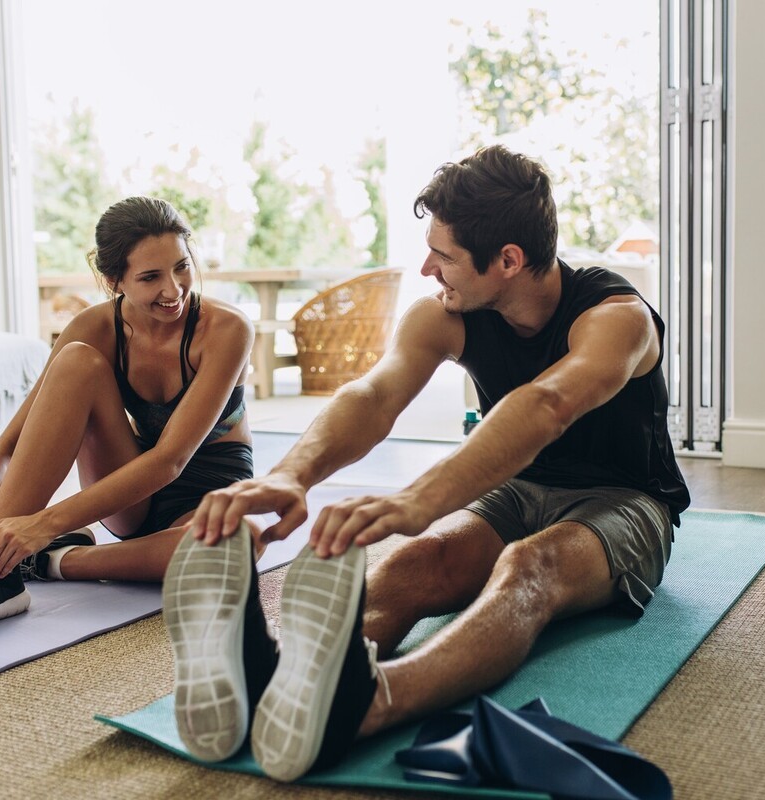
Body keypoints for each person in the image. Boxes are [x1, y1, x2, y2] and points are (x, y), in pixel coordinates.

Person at [160, 144, 691, 781]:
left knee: (529, 567)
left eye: (443, 255)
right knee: (418, 561)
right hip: (520, 487)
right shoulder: (449, 314)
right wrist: (289, 474)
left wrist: (418, 500)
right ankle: (274, 677)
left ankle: (369, 704)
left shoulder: (618, 319)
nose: (426, 267)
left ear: (508, 261)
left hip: (626, 501)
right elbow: (375, 395)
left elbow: (548, 404)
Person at [0, 196, 262, 642]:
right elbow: (10, 443)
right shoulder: (94, 328)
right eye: (151, 277)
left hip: (208, 496)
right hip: (128, 492)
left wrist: (43, 528)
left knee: (241, 542)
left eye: (181, 266)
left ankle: (46, 561)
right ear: (113, 279)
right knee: (76, 361)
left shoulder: (227, 329)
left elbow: (170, 461)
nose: (174, 290)